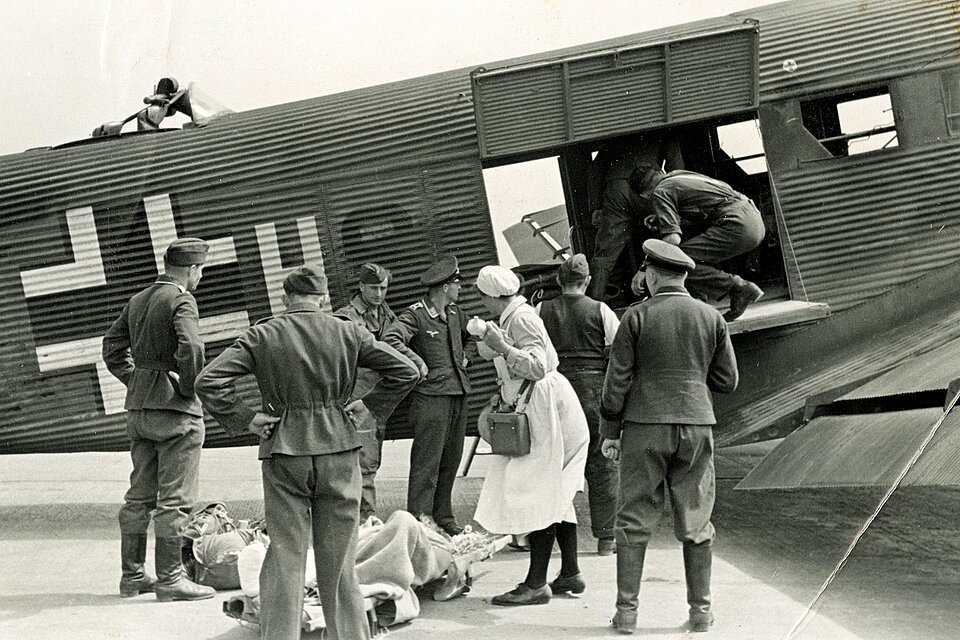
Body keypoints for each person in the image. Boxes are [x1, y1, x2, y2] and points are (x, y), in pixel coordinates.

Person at [195, 266, 419, 640]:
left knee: (286, 556)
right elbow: (406, 370)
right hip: (340, 447)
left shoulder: (263, 334)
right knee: (340, 562)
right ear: (323, 298)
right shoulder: (348, 330)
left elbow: (208, 380)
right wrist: (370, 405)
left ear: (285, 298)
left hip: (284, 448)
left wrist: (247, 418)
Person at [600, 239, 739, 634]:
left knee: (633, 519)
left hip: (645, 426)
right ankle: (701, 613)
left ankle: (626, 614)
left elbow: (615, 385)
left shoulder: (635, 316)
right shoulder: (711, 317)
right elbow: (727, 381)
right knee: (696, 519)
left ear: (654, 275)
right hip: (696, 425)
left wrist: (610, 431)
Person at [101, 237, 216, 602]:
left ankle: (133, 576)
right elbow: (192, 347)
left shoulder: (139, 299)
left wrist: (137, 380)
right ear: (192, 269)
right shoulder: (182, 299)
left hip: (139, 410)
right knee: (175, 499)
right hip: (175, 413)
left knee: (139, 496)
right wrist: (187, 387)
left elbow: (111, 347)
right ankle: (170, 579)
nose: (200, 277)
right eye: (200, 270)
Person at [471, 265, 590, 606]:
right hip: (547, 405)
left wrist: (503, 348)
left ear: (492, 296)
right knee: (557, 489)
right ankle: (570, 572)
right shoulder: (511, 317)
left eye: (482, 296)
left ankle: (536, 583)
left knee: (537, 491)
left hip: (545, 407)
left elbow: (537, 367)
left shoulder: (521, 319)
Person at [383, 254, 474, 537]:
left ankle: (443, 516)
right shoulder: (416, 314)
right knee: (427, 463)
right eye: (457, 283)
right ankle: (419, 521)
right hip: (431, 398)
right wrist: (416, 362)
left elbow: (472, 336)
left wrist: (466, 357)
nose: (460, 288)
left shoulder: (455, 313)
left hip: (457, 394)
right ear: (445, 286)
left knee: (451, 460)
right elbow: (390, 339)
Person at [536, 254, 620, 556]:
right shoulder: (601, 310)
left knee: (553, 462)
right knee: (602, 462)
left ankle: (545, 534)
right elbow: (621, 350)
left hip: (555, 391)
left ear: (559, 281)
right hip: (592, 393)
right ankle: (606, 538)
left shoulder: (541, 309)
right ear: (587, 281)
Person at [630, 167, 766, 321]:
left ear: (644, 195)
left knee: (676, 261)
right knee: (689, 255)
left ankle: (738, 288)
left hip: (736, 223)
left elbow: (673, 239)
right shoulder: (679, 175)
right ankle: (702, 303)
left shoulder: (660, 191)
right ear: (660, 173)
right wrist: (663, 218)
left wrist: (646, 266)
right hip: (752, 219)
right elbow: (703, 208)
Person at [333, 262, 398, 522]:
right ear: (361, 287)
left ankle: (363, 518)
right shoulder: (346, 317)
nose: (379, 294)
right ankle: (365, 519)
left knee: (370, 460)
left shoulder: (385, 314)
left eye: (383, 288)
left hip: (377, 397)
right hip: (356, 399)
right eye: (373, 288)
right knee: (363, 463)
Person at [588, 133, 684, 302]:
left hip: (617, 188)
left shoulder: (612, 129)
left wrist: (595, 206)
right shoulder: (663, 126)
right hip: (651, 184)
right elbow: (675, 164)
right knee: (668, 239)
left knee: (605, 253)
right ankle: (679, 296)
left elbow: (596, 169)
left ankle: (593, 305)